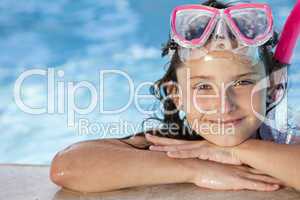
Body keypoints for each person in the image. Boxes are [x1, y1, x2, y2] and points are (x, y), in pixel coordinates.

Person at [50, 0, 300, 193]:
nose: (224, 105)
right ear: (177, 96)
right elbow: (67, 167)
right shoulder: (173, 147)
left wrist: (237, 152)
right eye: (203, 87)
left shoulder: (285, 141)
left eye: (243, 82)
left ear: (273, 89)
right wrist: (195, 169)